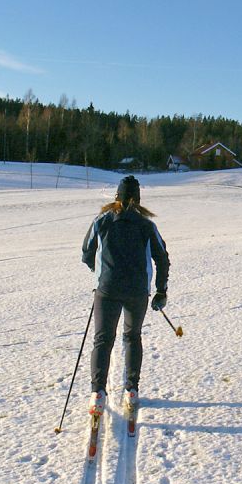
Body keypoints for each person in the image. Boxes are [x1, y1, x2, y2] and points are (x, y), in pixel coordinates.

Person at [81, 175, 170, 419]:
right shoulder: (146, 225)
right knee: (132, 337)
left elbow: (86, 252)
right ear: (138, 199)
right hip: (137, 291)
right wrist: (161, 290)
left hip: (107, 290)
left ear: (117, 197)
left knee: (103, 339)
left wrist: (100, 274)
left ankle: (97, 393)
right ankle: (131, 390)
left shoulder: (102, 220)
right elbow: (162, 258)